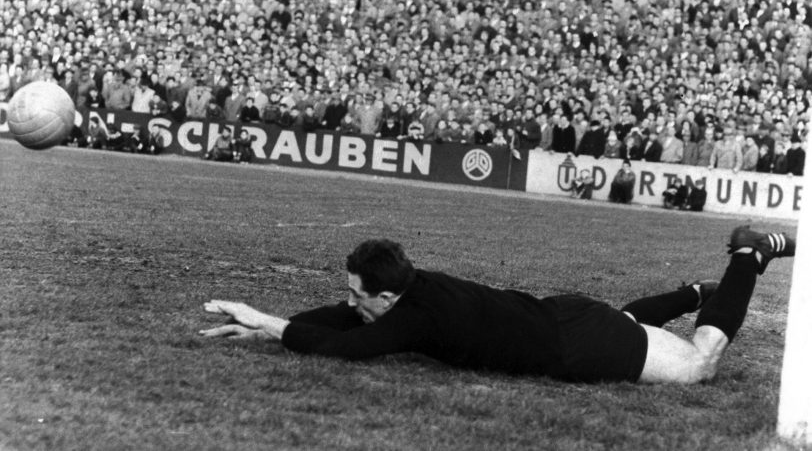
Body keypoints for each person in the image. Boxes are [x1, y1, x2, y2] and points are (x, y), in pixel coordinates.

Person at [200, 229, 795, 384]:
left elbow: (345, 345)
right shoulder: (414, 288)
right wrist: (278, 330)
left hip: (575, 343)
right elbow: (336, 320)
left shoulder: (415, 316)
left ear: (387, 294)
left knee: (699, 363)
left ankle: (750, 255)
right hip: (570, 316)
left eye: (360, 294)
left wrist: (268, 322)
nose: (350, 301)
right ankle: (698, 293)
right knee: (632, 326)